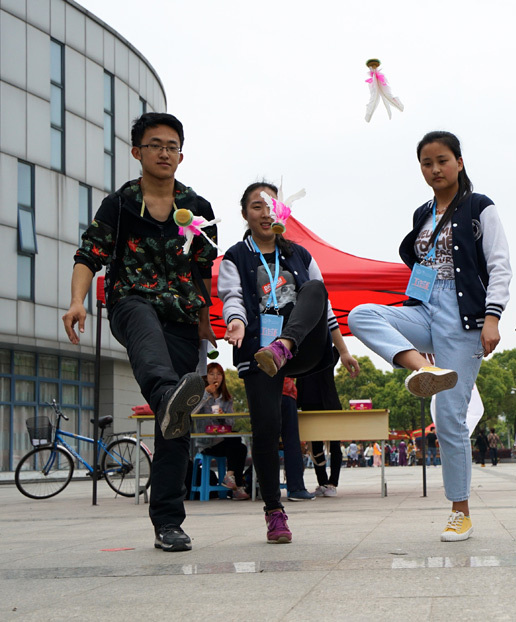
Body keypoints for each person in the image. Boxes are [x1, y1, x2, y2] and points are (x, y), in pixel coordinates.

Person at [63, 113, 216, 552]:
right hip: (131, 302)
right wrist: (78, 301)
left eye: (172, 145)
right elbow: (88, 254)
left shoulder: (199, 207)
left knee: (175, 422)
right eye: (155, 144)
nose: (165, 152)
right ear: (137, 152)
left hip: (183, 318)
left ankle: (169, 523)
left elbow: (201, 270)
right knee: (151, 343)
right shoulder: (120, 203)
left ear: (181, 154)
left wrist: (205, 323)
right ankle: (170, 394)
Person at [348, 130, 512, 542]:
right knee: (361, 314)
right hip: (423, 308)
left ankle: (461, 512)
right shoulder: (422, 212)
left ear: (459, 161)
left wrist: (492, 317)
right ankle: (421, 367)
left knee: (449, 420)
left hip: (464, 317)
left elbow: (500, 265)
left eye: (442, 160)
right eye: (426, 163)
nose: (435, 169)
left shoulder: (479, 207)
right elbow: (421, 266)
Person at [219, 181, 360, 544]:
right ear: (245, 214)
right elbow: (232, 296)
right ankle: (274, 513)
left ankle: (284, 343)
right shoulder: (237, 256)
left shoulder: (300, 255)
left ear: (282, 211)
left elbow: (322, 305)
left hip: (299, 348)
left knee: (315, 288)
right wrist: (234, 321)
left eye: (271, 206)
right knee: (266, 431)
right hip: (257, 350)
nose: (265, 213)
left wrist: (343, 351)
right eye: (256, 207)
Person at [196, 362, 249, 500]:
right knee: (235, 442)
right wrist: (206, 394)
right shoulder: (200, 395)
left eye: (219, 374)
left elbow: (231, 423)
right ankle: (236, 487)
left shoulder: (227, 398)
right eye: (211, 374)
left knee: (241, 447)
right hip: (207, 442)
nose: (215, 377)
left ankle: (230, 477)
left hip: (223, 441)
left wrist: (222, 415)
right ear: (206, 377)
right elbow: (193, 412)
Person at [297, 364, 346, 496]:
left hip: (329, 404)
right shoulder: (300, 352)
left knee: (335, 445)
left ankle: (333, 483)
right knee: (315, 447)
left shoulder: (327, 353)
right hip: (309, 404)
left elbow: (336, 351)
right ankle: (323, 482)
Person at [280, 377, 316, 501]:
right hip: (285, 390)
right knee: (291, 441)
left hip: (260, 391)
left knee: (266, 441)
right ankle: (296, 488)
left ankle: (265, 489)